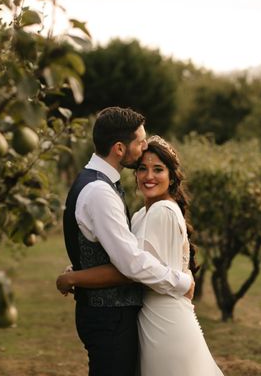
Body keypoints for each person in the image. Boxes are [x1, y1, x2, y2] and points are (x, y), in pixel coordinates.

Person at [58, 135, 223, 375]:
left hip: (164, 321)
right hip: (149, 316)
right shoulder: (141, 215)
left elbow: (132, 270)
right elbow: (124, 257)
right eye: (142, 169)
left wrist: (74, 278)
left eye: (158, 169)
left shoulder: (162, 211)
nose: (149, 176)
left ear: (172, 176)